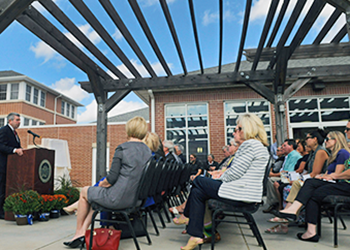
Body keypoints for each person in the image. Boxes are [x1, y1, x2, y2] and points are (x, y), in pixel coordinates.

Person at [177, 113, 269, 250]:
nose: (234, 132)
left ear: (249, 129)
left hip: (241, 194)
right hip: (244, 193)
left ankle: (186, 215)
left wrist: (216, 177)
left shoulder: (250, 145)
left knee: (198, 181)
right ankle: (195, 235)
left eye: (238, 129)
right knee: (197, 191)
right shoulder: (257, 146)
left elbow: (235, 173)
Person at [63, 116, 151, 248]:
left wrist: (101, 184)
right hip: (136, 200)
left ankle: (78, 232)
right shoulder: (148, 152)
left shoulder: (122, 149)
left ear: (129, 130)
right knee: (95, 198)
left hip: (118, 198)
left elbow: (111, 179)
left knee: (84, 191)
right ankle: (81, 233)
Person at [0, 112, 23, 219]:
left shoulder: (15, 133)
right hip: (3, 165)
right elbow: (1, 145)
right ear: (10, 121)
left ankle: (6, 210)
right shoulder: (4, 130)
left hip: (12, 166)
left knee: (7, 188)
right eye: (17, 120)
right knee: (1, 188)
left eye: (19, 120)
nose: (19, 122)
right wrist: (14, 150)